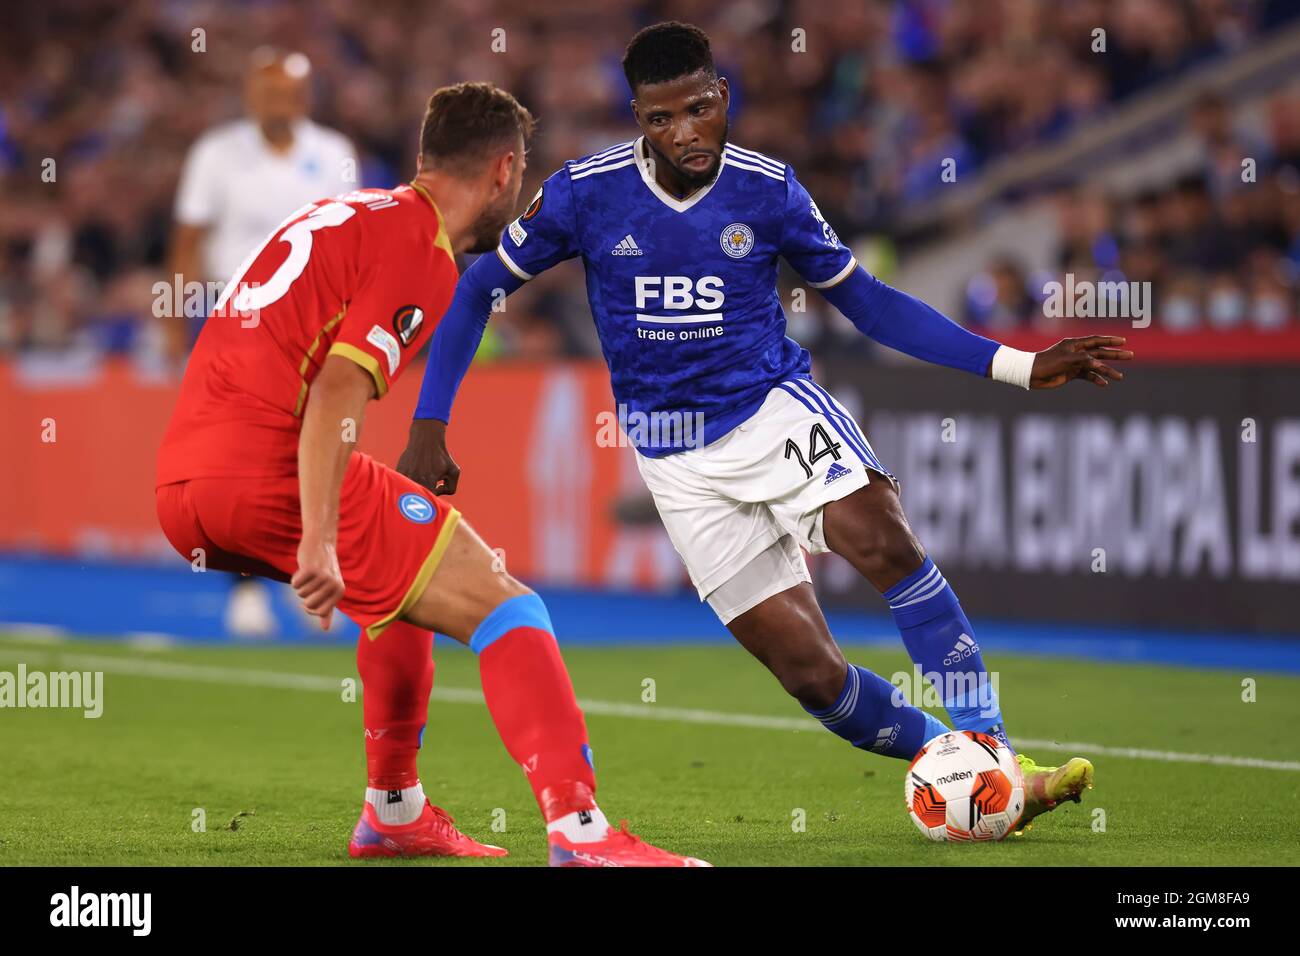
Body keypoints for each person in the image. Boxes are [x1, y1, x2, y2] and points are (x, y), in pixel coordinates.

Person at [400, 22, 1135, 835]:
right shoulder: (585, 192)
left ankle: (995, 757)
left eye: (699, 108)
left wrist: (1018, 365)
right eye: (659, 119)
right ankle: (955, 761)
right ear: (637, 119)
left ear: (724, 96)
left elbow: (870, 304)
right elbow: (476, 291)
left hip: (770, 411)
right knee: (814, 678)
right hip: (675, 461)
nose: (685, 133)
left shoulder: (769, 190)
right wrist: (430, 423)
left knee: (882, 537)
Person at [155, 81, 707, 867]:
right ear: (504, 170)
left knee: (401, 593)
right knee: (509, 607)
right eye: (517, 183)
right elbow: (338, 390)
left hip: (183, 482)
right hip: (263, 468)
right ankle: (582, 835)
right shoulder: (421, 248)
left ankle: (393, 809)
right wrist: (317, 538)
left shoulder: (344, 213)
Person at [167, 47, 358, 364]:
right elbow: (188, 242)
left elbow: (348, 243)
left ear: (306, 97)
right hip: (232, 306)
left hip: (310, 311)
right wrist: (174, 323)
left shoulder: (335, 152)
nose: (280, 103)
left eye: (289, 93)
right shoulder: (214, 153)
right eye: (270, 93)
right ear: (250, 95)